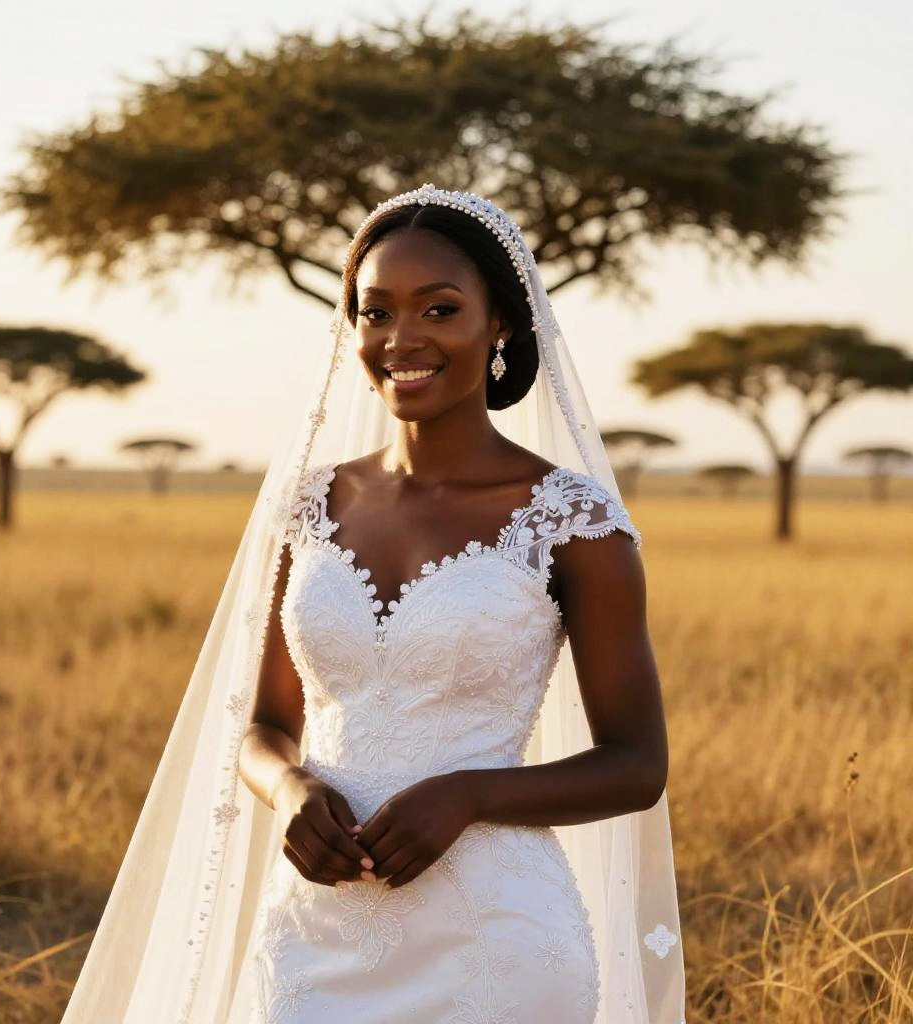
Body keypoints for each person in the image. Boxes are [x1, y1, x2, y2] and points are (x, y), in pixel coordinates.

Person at [59, 185, 686, 1023]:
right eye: (375, 311)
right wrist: (287, 789)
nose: (402, 338)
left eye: (439, 308)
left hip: (497, 943)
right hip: (316, 934)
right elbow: (264, 726)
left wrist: (470, 795)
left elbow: (637, 765)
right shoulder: (310, 504)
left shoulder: (572, 521)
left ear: (499, 321)